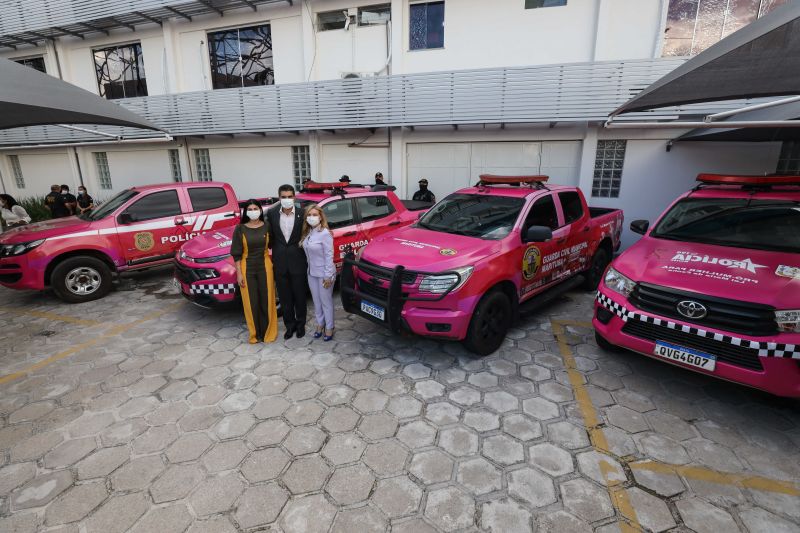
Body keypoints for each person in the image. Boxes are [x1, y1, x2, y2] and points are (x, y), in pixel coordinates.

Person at [231, 200, 279, 344]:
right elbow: (236, 253)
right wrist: (239, 273)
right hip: (247, 267)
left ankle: (268, 332)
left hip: (265, 266)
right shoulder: (240, 229)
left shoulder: (267, 226)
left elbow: (274, 244)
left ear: (260, 210)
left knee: (267, 299)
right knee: (251, 301)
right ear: (246, 212)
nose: (253, 211)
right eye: (250, 209)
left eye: (255, 208)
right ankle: (255, 334)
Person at [267, 184, 309, 339]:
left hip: (298, 261)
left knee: (299, 296)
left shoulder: (303, 213)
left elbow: (309, 233)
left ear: (294, 197)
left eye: (289, 196)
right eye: (283, 197)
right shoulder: (271, 214)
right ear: (279, 198)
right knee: (285, 298)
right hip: (280, 262)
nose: (287, 199)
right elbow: (269, 236)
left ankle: (301, 325)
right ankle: (289, 326)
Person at [301, 205, 336, 341]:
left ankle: (330, 326)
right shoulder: (308, 232)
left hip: (324, 273)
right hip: (312, 273)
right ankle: (320, 324)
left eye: (315, 214)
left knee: (325, 301)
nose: (312, 217)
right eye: (309, 215)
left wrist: (328, 276)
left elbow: (329, 256)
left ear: (321, 217)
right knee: (316, 301)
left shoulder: (325, 233)